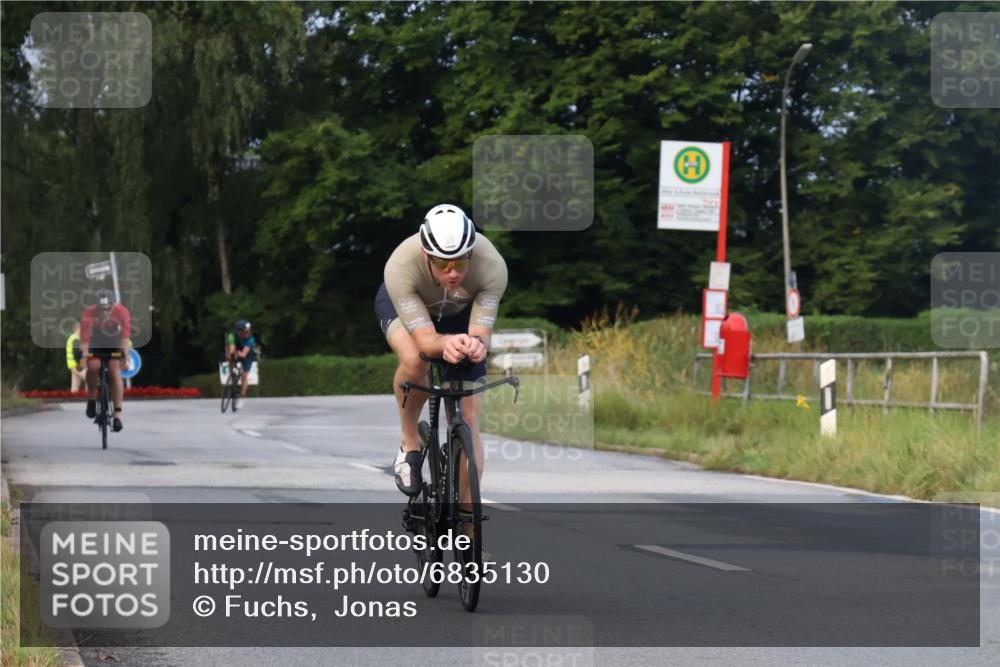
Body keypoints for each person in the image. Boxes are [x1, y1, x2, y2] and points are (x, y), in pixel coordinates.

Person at [375, 204, 507, 509]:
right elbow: (426, 342)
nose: (453, 273)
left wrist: (476, 345)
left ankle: (467, 530)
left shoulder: (492, 266)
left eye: (460, 263)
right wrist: (444, 345)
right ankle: (410, 442)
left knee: (469, 420)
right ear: (426, 256)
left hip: (458, 315)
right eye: (443, 265)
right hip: (407, 309)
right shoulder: (400, 266)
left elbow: (481, 333)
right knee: (415, 358)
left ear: (472, 254)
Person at [80, 289, 131, 432]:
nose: (104, 313)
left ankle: (117, 415)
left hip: (113, 340)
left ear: (113, 306)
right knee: (93, 366)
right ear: (96, 307)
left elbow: (125, 338)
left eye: (108, 309)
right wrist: (85, 356)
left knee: (115, 370)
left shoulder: (122, 312)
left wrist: (125, 356)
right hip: (95, 341)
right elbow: (84, 339)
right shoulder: (88, 314)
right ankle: (91, 398)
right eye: (101, 310)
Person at [227, 320, 256, 410]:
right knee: (230, 359)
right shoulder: (232, 336)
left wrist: (236, 352)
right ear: (239, 331)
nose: (248, 333)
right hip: (237, 350)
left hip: (247, 355)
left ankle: (242, 398)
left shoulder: (250, 339)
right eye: (246, 331)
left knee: (244, 375)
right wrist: (232, 356)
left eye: (249, 331)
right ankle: (233, 379)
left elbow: (243, 354)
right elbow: (231, 350)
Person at [65, 321, 86, 392]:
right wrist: (81, 365)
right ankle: (91, 398)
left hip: (72, 364)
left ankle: (71, 400)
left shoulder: (71, 338)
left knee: (74, 387)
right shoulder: (75, 339)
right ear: (78, 329)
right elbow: (77, 354)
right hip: (76, 364)